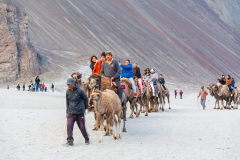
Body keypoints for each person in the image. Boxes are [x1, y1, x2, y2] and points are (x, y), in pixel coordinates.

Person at [65, 78, 89, 146]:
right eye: (67, 84)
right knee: (69, 126)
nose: (69, 86)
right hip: (71, 112)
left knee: (82, 127)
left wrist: (85, 107)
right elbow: (67, 102)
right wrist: (67, 112)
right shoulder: (67, 92)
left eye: (70, 84)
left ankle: (86, 138)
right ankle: (70, 141)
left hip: (79, 113)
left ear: (74, 83)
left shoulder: (80, 90)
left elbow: (86, 99)